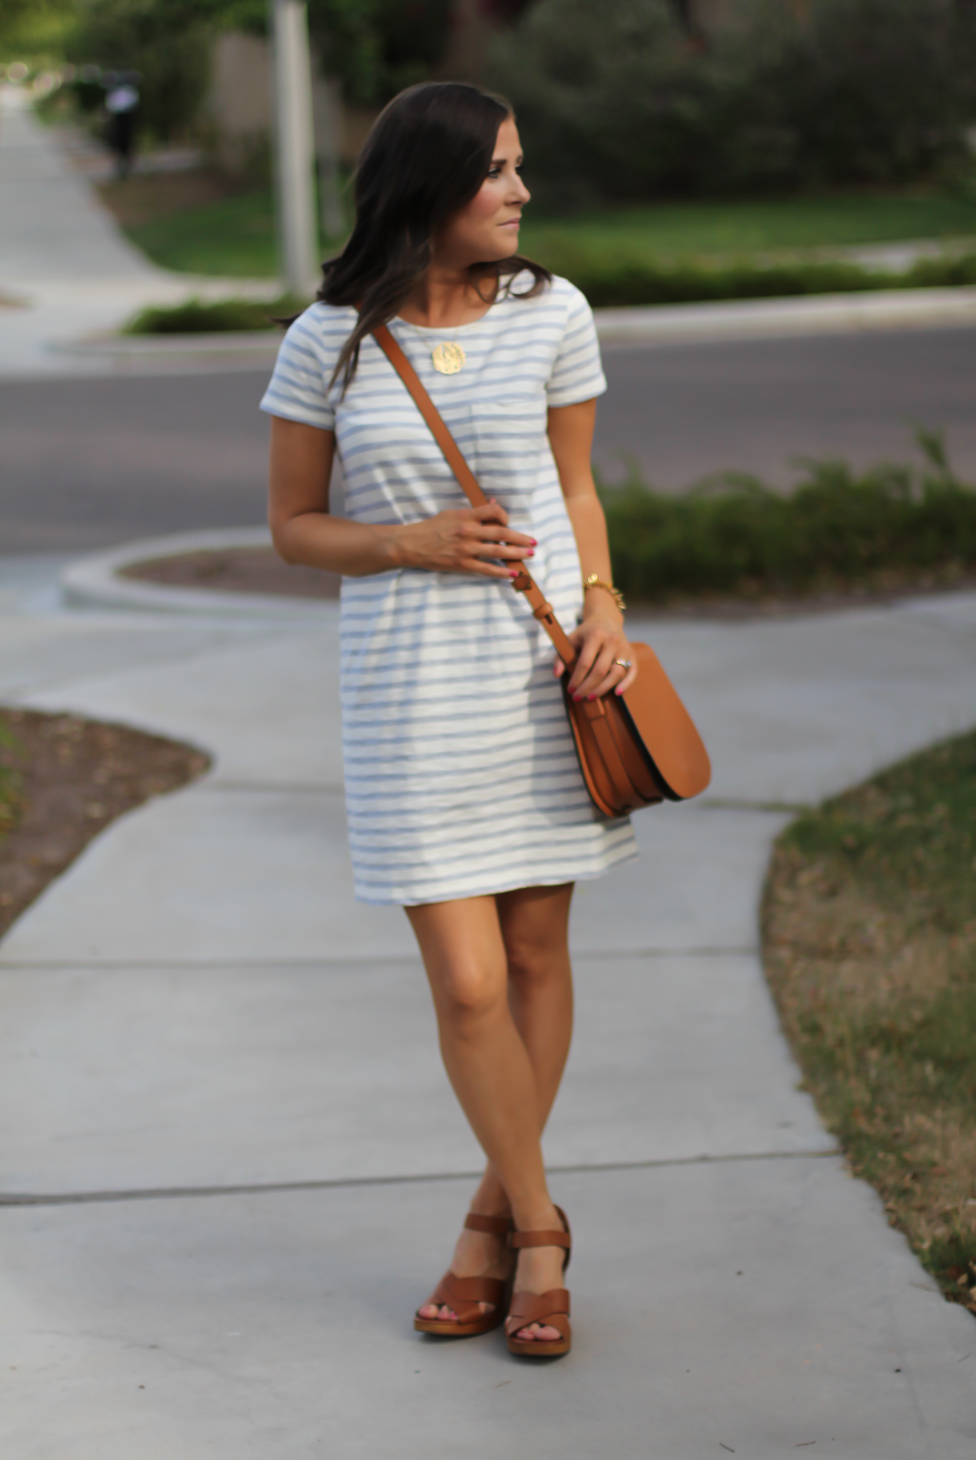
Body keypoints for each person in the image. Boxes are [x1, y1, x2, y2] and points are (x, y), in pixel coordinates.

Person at [261, 81, 638, 1360]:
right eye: (498, 171)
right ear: (428, 187)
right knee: (469, 981)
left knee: (534, 961)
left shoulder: (553, 312)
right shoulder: (330, 340)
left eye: (522, 166)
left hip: (541, 676)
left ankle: (488, 1231)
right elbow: (292, 529)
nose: (522, 191)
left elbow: (576, 483)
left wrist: (605, 600)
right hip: (409, 687)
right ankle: (542, 1226)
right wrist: (406, 541)